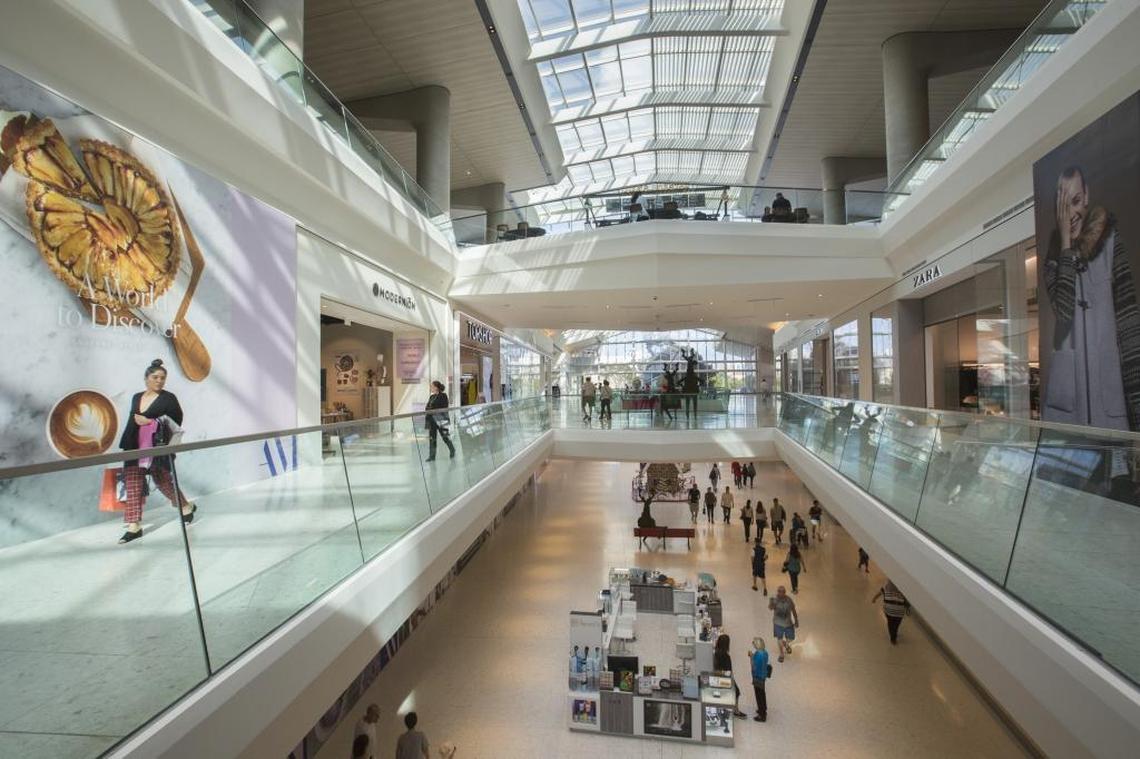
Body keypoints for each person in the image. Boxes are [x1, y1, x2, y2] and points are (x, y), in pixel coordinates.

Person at [1042, 165, 1140, 430]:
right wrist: (1065, 245)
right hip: (1066, 412)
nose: (1071, 215)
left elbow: (1129, 325)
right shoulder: (1052, 263)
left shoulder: (1110, 244)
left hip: (1110, 406)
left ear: (1086, 195)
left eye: (1075, 201)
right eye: (1064, 206)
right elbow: (1064, 312)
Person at [117, 358, 195, 544]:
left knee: (163, 481)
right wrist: (126, 444)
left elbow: (175, 423)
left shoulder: (169, 399)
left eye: (162, 378)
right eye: (155, 377)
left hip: (157, 447)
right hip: (134, 446)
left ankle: (185, 507)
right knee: (133, 483)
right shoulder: (136, 397)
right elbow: (131, 421)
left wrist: (151, 422)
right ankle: (134, 526)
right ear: (146, 379)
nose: (159, 381)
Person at [713, 634, 747, 718]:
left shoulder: (716, 653)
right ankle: (736, 711)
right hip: (726, 678)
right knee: (737, 692)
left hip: (718, 677)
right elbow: (729, 670)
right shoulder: (726, 656)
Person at [871, 580, 911, 644]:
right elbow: (906, 599)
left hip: (889, 609)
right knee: (896, 624)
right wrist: (908, 606)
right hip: (899, 610)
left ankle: (893, 637)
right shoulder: (903, 586)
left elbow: (879, 593)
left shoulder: (886, 586)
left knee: (890, 623)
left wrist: (874, 598)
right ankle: (894, 634)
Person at [425, 381, 456, 461]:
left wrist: (432, 409)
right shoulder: (431, 397)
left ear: (436, 387)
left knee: (445, 437)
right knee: (432, 439)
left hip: (441, 420)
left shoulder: (443, 395)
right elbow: (427, 407)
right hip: (432, 420)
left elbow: (444, 406)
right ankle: (432, 456)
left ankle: (452, 450)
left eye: (432, 386)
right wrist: (431, 409)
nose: (430, 388)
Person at [768, 586, 799, 662]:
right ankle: (781, 654)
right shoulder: (775, 600)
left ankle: (786, 644)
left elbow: (793, 610)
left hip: (788, 623)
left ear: (784, 592)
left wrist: (796, 620)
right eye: (779, 591)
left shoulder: (789, 600)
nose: (780, 593)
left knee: (791, 638)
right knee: (779, 639)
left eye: (782, 591)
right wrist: (771, 603)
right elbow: (770, 608)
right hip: (778, 623)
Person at [749, 636, 770, 722]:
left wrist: (751, 657)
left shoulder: (758, 655)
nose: (753, 645)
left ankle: (762, 714)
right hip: (763, 676)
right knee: (762, 693)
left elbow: (754, 667)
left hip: (757, 676)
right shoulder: (765, 652)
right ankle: (763, 709)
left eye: (754, 643)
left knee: (759, 695)